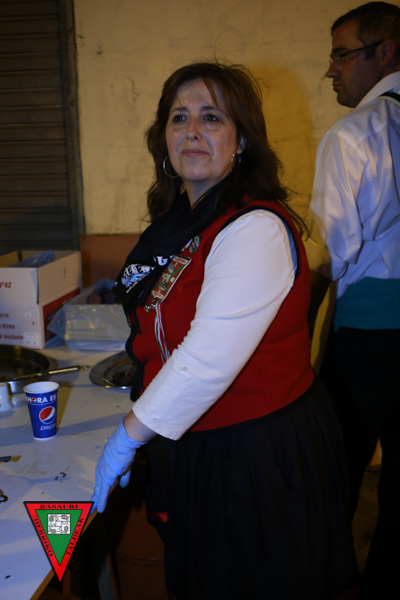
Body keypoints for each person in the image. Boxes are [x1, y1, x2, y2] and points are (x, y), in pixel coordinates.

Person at [91, 61, 358, 599]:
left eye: (211, 117)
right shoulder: (178, 229)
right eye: (179, 117)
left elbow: (206, 356)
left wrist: (126, 437)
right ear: (163, 139)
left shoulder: (254, 227)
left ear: (242, 141)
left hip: (255, 457)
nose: (191, 130)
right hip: (196, 443)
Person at [305, 3, 400, 598]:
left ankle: (329, 583)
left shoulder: (353, 135)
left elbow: (330, 253)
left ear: (384, 52)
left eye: (342, 55)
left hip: (369, 339)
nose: (331, 70)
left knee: (331, 470)